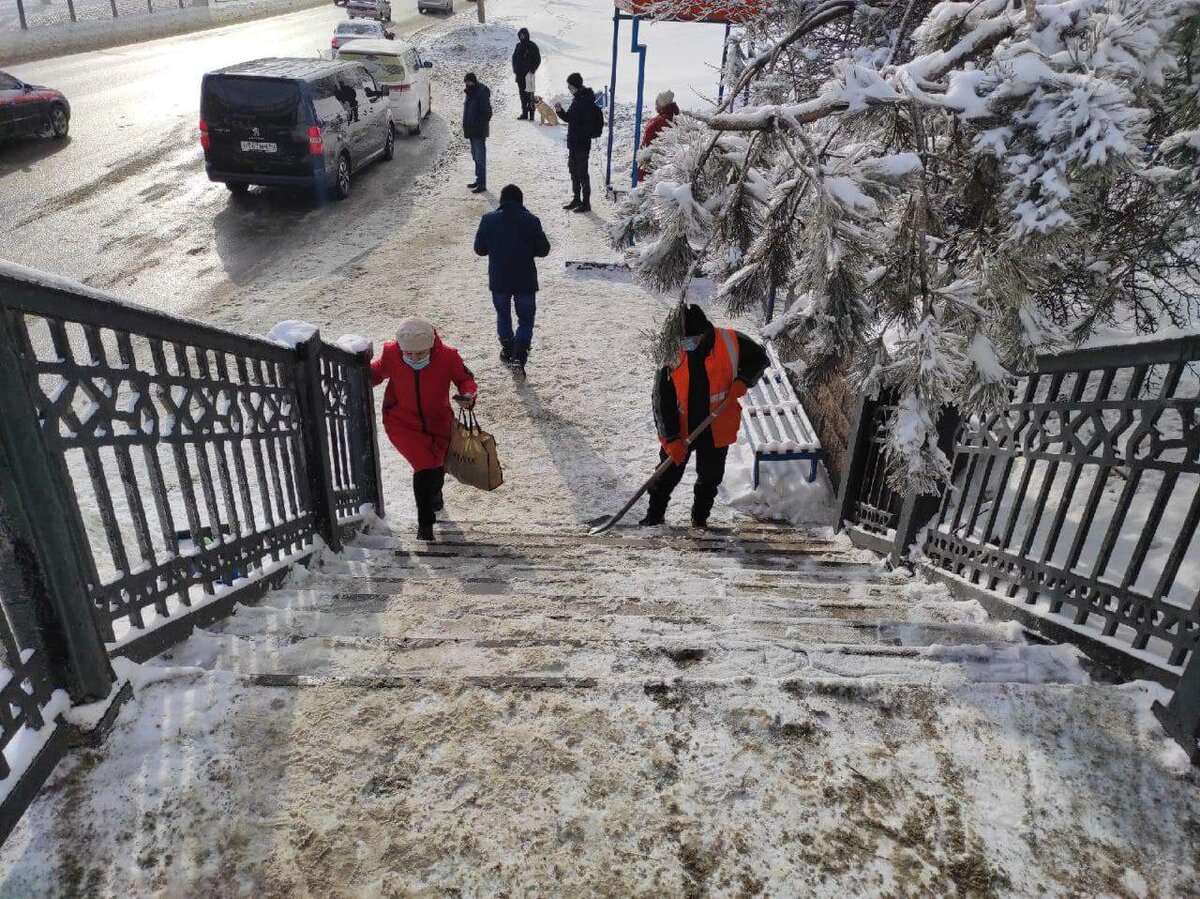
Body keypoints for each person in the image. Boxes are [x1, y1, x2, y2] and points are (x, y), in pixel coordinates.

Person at [642, 305, 768, 529]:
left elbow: (759, 357)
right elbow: (662, 399)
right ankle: (654, 517)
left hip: (716, 426)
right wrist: (671, 439)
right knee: (667, 475)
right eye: (684, 341)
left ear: (705, 334)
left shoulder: (730, 342)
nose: (686, 346)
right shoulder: (672, 351)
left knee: (710, 478)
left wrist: (744, 380)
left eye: (691, 341)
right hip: (682, 428)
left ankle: (699, 519)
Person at [370, 316, 478, 541]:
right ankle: (425, 526)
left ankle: (436, 493)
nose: (414, 358)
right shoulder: (392, 354)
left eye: (420, 354)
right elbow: (377, 372)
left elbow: (465, 379)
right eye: (409, 354)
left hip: (438, 421)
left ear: (431, 347)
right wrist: (357, 373)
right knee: (424, 465)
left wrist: (467, 396)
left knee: (437, 467)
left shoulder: (448, 357)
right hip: (402, 422)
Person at [474, 184, 551, 377]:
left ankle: (508, 349)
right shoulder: (531, 221)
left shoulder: (488, 220)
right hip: (525, 280)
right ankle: (519, 356)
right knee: (525, 319)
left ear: (501, 201)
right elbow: (544, 250)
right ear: (521, 201)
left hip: (499, 280)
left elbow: (479, 249)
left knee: (503, 315)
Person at [554, 73, 600, 213]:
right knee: (573, 171)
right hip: (574, 144)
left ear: (575, 86)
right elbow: (570, 119)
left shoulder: (584, 101)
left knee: (582, 174)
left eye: (570, 85)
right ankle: (577, 199)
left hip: (581, 144)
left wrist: (579, 131)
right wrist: (560, 111)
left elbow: (584, 124)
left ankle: (586, 203)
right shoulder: (578, 100)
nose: (568, 88)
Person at [638, 89, 679, 181]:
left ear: (663, 103)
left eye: (657, 103)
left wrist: (652, 152)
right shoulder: (664, 116)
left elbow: (664, 140)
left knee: (645, 182)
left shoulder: (666, 118)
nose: (655, 105)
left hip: (653, 158)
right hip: (649, 155)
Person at [462, 72, 493, 194]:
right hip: (472, 130)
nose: (466, 85)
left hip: (478, 131)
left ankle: (482, 184)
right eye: (465, 83)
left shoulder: (481, 93)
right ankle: (478, 179)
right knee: (475, 156)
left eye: (468, 82)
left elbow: (487, 113)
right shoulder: (471, 92)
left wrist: (479, 125)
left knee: (480, 158)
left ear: (473, 81)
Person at [512, 27, 541, 122]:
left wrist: (532, 70)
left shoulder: (532, 46)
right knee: (522, 95)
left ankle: (531, 114)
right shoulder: (518, 46)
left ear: (527, 35)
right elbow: (514, 59)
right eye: (520, 35)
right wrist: (515, 70)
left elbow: (537, 59)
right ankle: (524, 113)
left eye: (523, 35)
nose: (522, 37)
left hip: (529, 75)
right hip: (520, 75)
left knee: (530, 95)